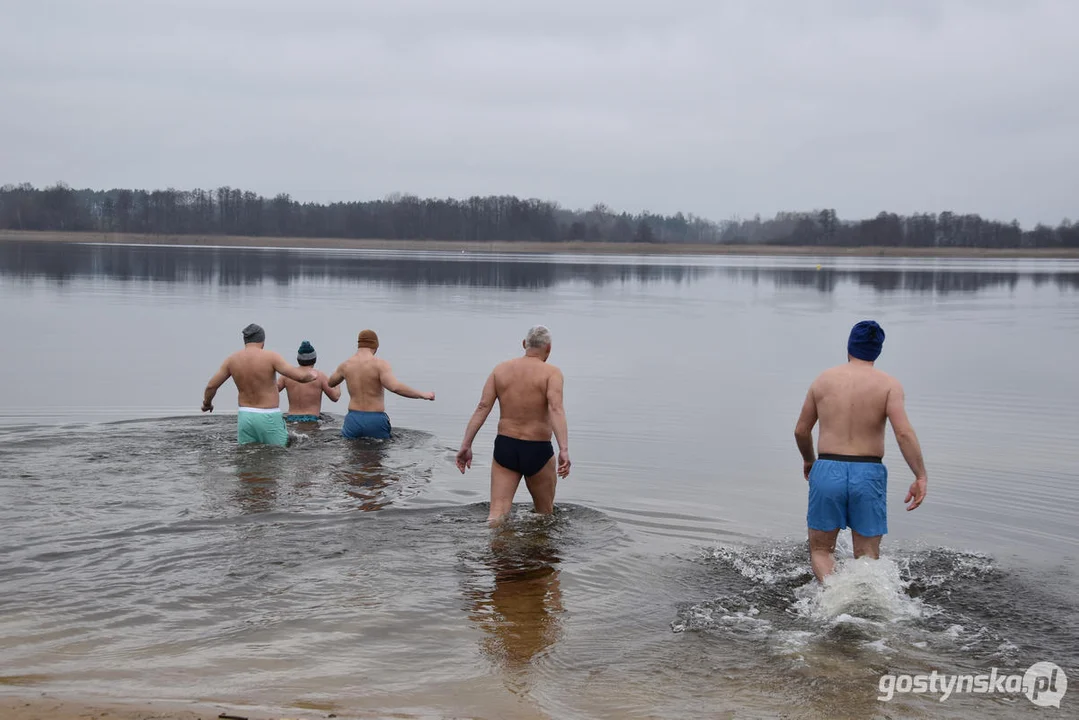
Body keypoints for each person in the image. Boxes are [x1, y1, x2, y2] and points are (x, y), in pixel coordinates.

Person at [794, 320, 928, 583]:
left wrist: (809, 460)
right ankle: (864, 601)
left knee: (821, 550)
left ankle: (832, 597)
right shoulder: (889, 385)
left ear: (849, 347)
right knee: (867, 555)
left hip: (827, 468)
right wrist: (920, 475)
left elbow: (801, 430)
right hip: (868, 472)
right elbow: (903, 433)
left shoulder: (823, 380)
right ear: (877, 351)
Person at [455, 325, 571, 524]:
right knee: (544, 517)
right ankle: (538, 553)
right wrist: (564, 450)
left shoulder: (500, 370)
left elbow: (483, 406)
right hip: (538, 449)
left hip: (505, 447)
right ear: (548, 348)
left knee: (496, 516)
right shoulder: (552, 373)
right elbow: (556, 409)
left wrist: (466, 445)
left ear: (524, 344)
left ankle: (497, 553)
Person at [202, 323, 318, 446]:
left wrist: (207, 404)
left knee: (246, 458)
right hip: (268, 415)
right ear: (262, 340)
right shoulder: (271, 357)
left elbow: (211, 386)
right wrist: (313, 375)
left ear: (245, 340)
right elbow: (300, 377)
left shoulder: (232, 360)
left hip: (245, 416)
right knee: (278, 455)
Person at [327, 329, 435, 439]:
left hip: (353, 419)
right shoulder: (380, 364)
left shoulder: (345, 365)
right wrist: (422, 395)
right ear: (375, 346)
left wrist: (340, 380)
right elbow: (394, 387)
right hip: (375, 419)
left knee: (352, 453)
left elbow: (330, 383)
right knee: (377, 452)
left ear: (359, 345)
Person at [277, 340, 341, 422]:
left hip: (291, 419)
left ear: (298, 359)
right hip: (312, 419)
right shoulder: (320, 376)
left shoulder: (287, 376)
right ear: (314, 359)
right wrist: (337, 384)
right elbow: (335, 397)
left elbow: (271, 391)